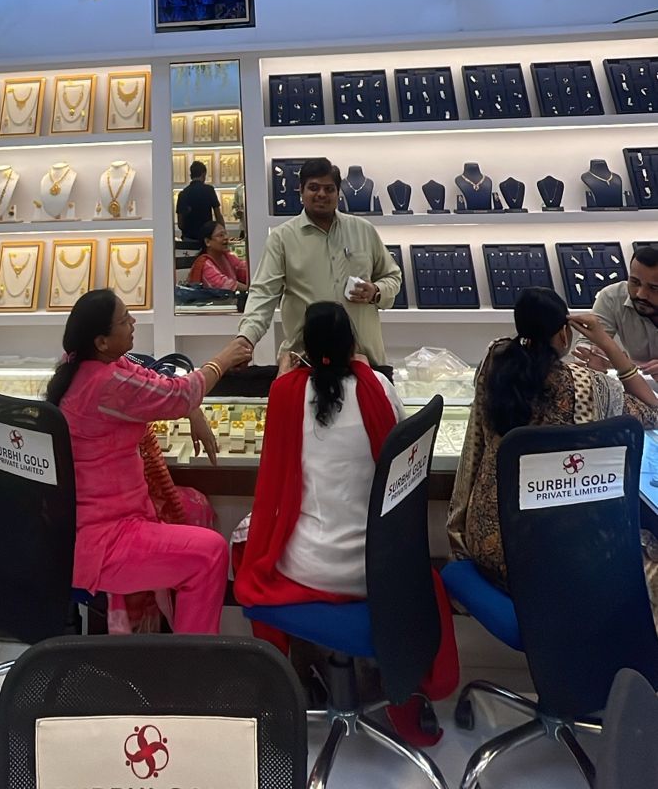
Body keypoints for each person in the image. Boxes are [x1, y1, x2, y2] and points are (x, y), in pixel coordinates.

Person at [234, 301, 458, 744]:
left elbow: (275, 485)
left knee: (243, 540)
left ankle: (285, 681)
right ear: (351, 342)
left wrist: (286, 373)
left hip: (311, 568)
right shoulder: (378, 387)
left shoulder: (286, 394)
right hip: (378, 569)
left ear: (304, 347)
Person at [46, 288, 252, 635]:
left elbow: (162, 386)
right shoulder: (104, 382)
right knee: (211, 552)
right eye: (124, 320)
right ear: (101, 341)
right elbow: (177, 394)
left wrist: (193, 410)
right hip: (104, 538)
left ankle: (177, 639)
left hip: (107, 521)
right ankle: (193, 657)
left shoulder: (91, 365)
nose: (133, 322)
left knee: (194, 508)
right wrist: (224, 359)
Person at [448, 286, 658, 626]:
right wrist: (607, 346)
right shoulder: (588, 385)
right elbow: (652, 410)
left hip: (487, 543)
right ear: (563, 334)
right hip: (549, 559)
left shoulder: (495, 363)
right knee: (646, 552)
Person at [238, 157, 401, 367]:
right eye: (313, 187)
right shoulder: (282, 238)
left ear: (338, 192)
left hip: (364, 359)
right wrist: (246, 338)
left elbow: (392, 276)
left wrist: (376, 291)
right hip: (307, 361)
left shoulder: (363, 230)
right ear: (301, 191)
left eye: (329, 189)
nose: (322, 194)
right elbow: (263, 294)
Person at [582, 246, 658, 375]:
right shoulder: (612, 297)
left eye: (654, 288)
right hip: (636, 382)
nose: (640, 294)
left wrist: (622, 362)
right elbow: (586, 343)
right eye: (635, 282)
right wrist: (595, 355)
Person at [188, 221, 248, 293]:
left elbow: (243, 268)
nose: (226, 237)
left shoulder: (227, 256)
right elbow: (225, 285)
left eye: (226, 234)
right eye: (221, 235)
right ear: (207, 242)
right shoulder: (205, 264)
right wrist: (251, 289)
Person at [176, 161, 221, 247]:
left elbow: (180, 224)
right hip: (206, 240)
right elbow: (218, 215)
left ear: (191, 175)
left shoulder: (183, 193)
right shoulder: (209, 190)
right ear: (203, 174)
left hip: (188, 239)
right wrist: (222, 233)